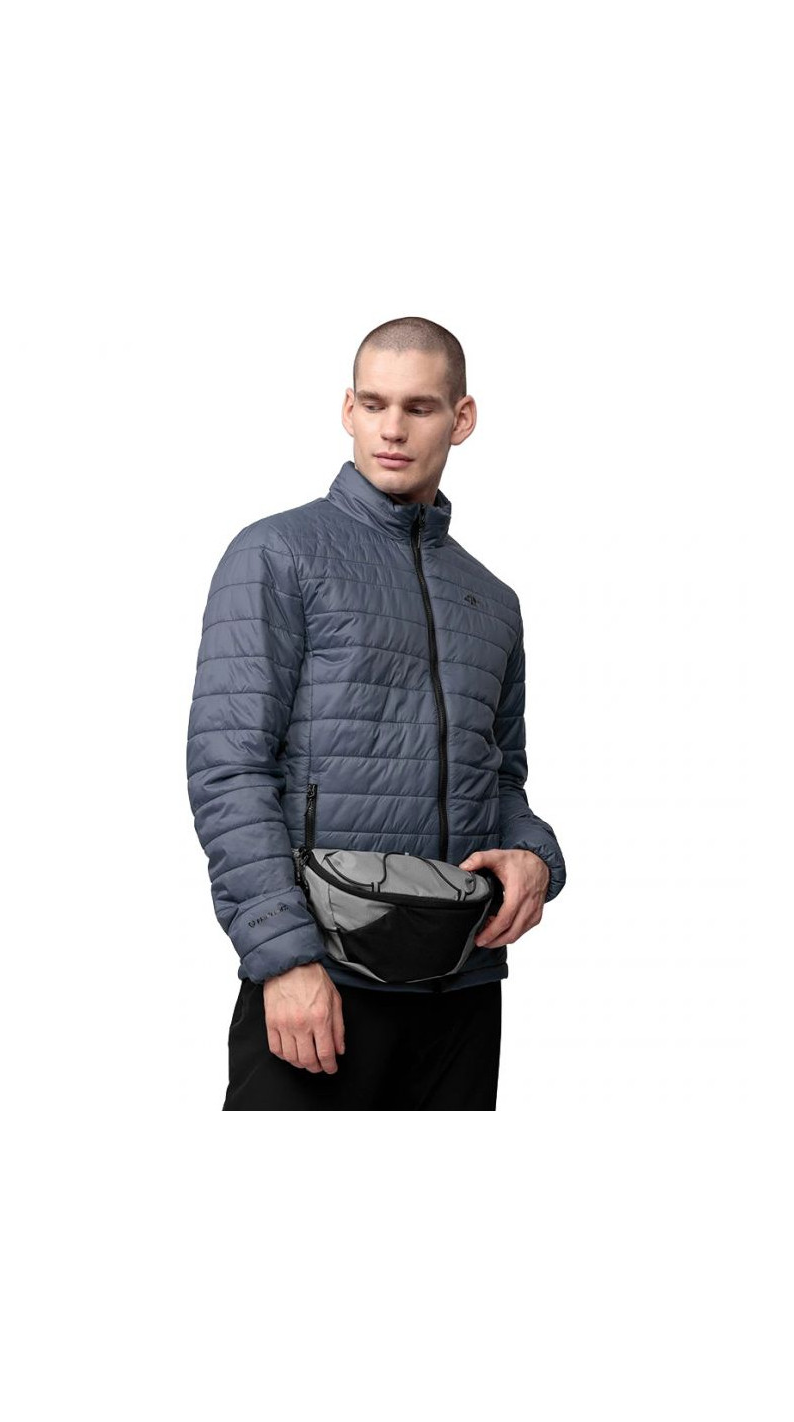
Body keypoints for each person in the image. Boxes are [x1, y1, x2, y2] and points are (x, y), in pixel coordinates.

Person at [186, 316, 567, 1110]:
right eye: (373, 404)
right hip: (323, 983)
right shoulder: (278, 554)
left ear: (462, 417)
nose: (392, 429)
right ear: (348, 410)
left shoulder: (493, 601)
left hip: (463, 987)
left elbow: (502, 779)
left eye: (419, 407)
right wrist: (284, 959)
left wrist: (535, 856)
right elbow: (230, 769)